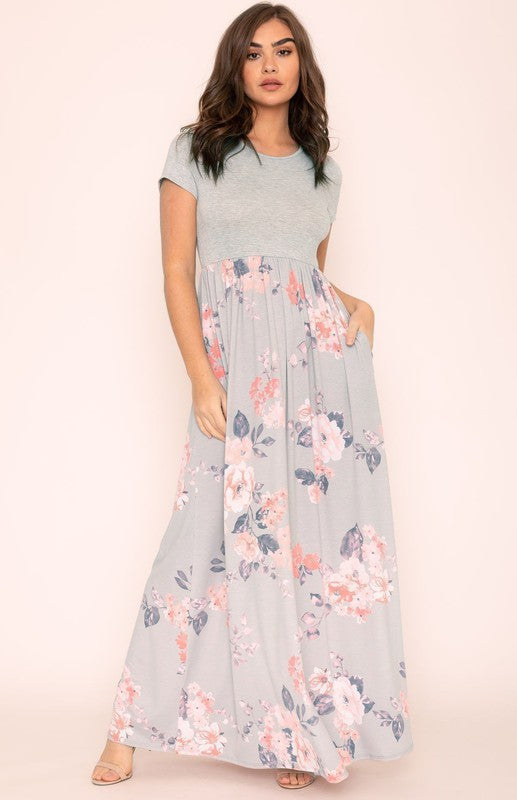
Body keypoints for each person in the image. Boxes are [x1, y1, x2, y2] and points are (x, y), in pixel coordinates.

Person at [90, 2, 413, 790]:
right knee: (198, 535)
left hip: (318, 389)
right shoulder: (195, 152)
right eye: (254, 52)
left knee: (303, 551)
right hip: (234, 375)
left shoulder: (322, 171)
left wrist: (351, 306)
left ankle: (292, 727)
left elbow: (297, 274)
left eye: (285, 50)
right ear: (234, 66)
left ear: (301, 65)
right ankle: (129, 725)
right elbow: (177, 271)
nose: (270, 64)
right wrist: (203, 377)